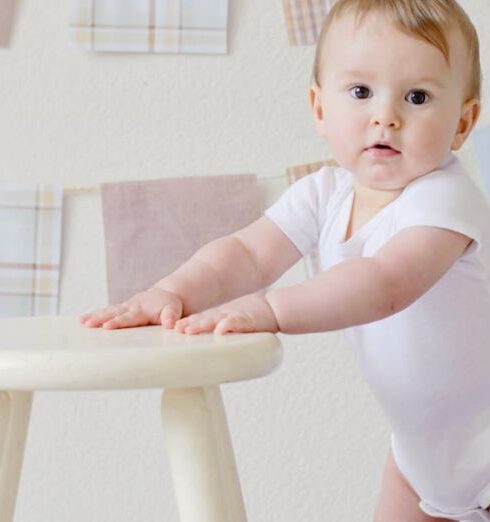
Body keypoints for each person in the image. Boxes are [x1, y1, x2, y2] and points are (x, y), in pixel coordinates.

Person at [80, 0, 490, 520]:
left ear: (463, 121)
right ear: (320, 108)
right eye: (361, 92)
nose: (386, 115)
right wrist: (176, 291)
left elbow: (386, 283)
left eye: (417, 96)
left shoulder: (445, 201)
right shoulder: (324, 193)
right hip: (420, 455)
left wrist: (272, 310)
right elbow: (247, 252)